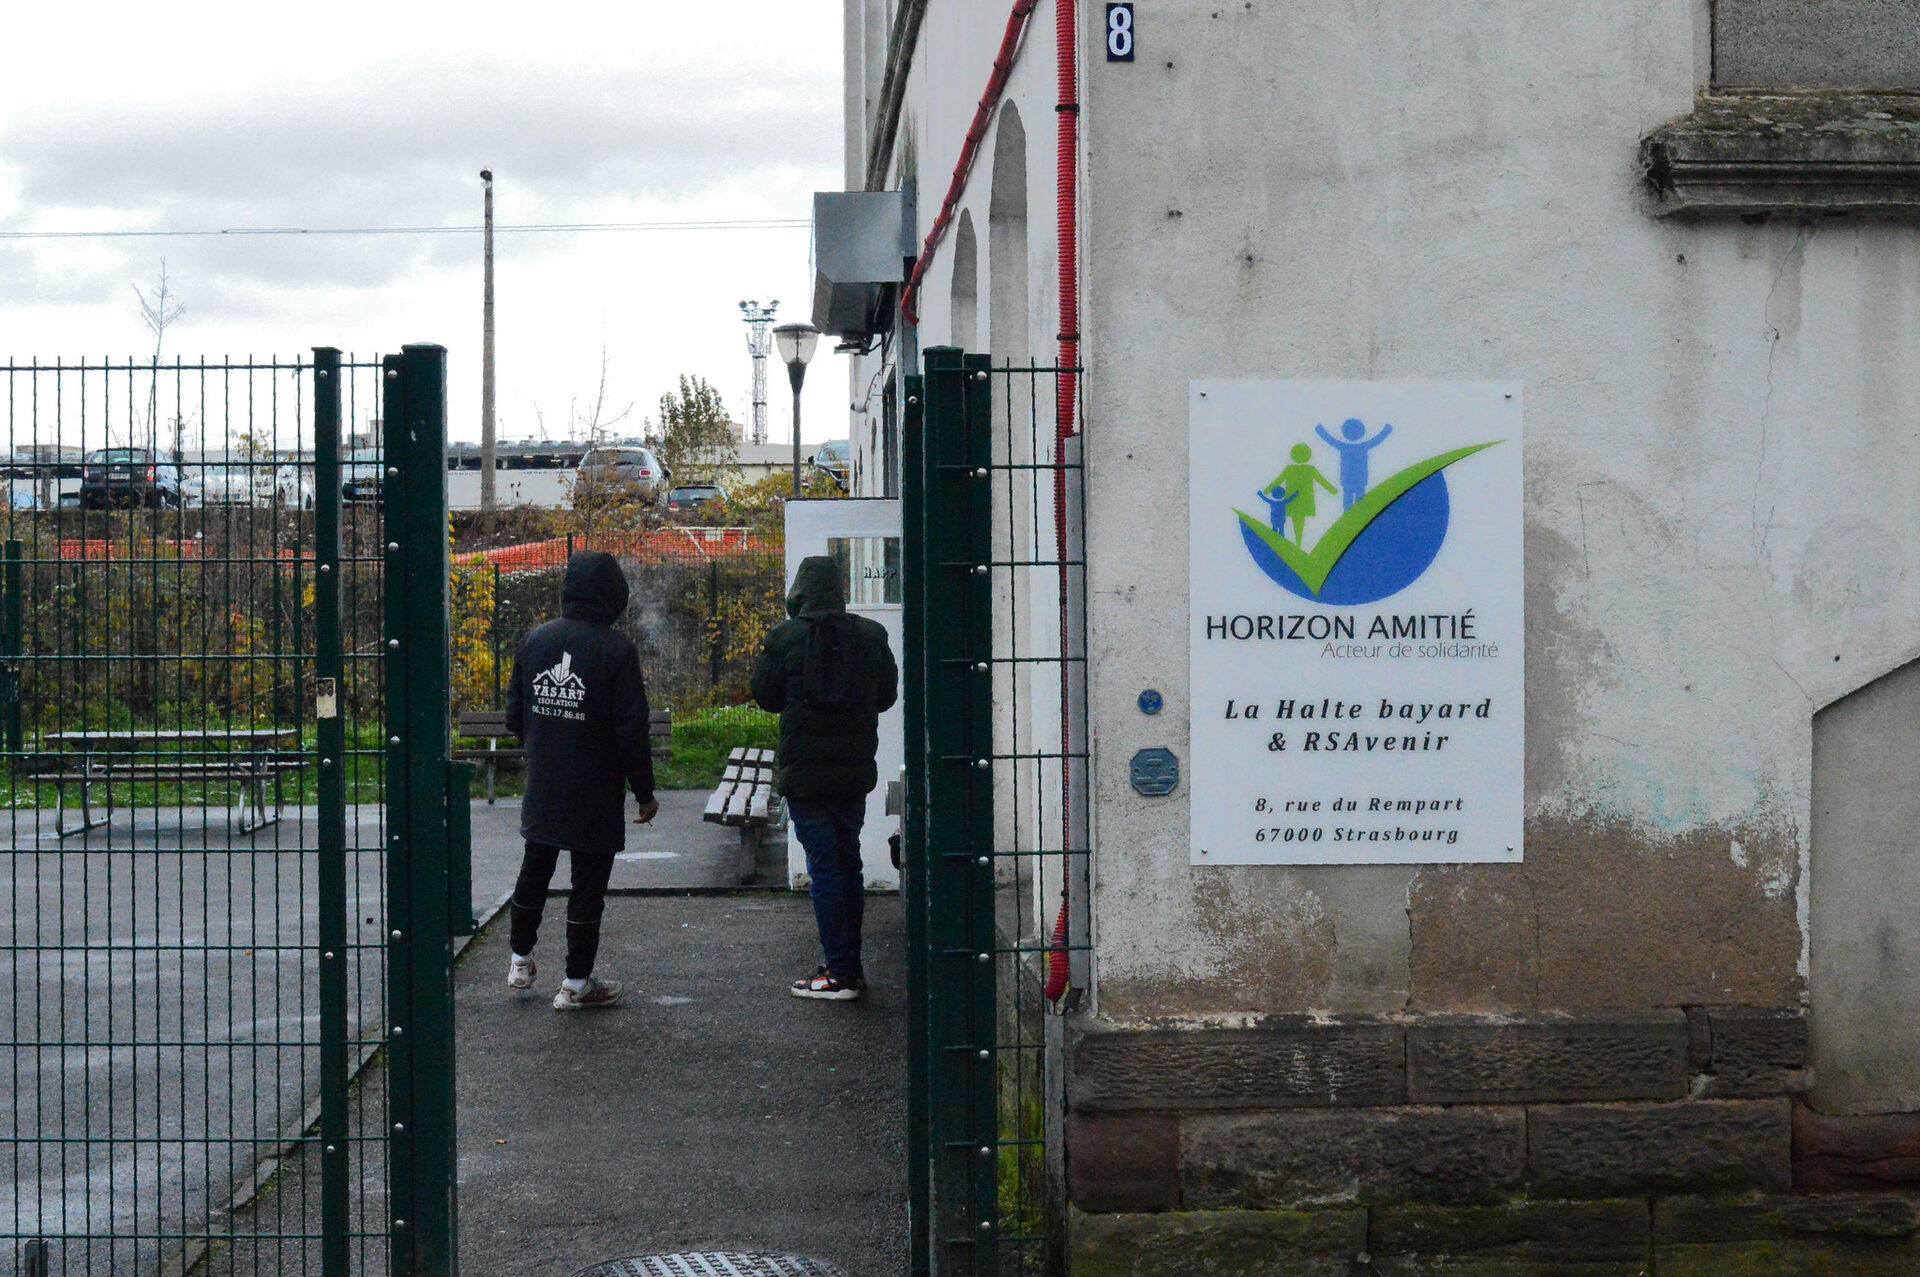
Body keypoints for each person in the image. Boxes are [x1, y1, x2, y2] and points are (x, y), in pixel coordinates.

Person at [503, 550, 660, 1011]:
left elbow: (516, 713)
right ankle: (575, 983)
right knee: (587, 886)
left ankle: (520, 959)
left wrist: (544, 739)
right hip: (595, 787)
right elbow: (630, 729)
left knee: (534, 870)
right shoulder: (616, 651)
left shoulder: (534, 641)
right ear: (614, 594)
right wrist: (644, 792)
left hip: (546, 781)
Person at [751, 555, 898, 1000]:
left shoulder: (785, 638)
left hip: (805, 774)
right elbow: (888, 697)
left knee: (824, 868)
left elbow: (765, 696)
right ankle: (847, 966)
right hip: (854, 771)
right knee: (847, 862)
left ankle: (839, 973)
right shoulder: (871, 636)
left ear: (799, 590)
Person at [1314, 418, 1393, 510]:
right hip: (1358, 479)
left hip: (1351, 479)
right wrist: (1386, 430)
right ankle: (1356, 516)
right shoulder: (1362, 447)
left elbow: (1331, 440)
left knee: (1350, 499)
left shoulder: (1345, 447)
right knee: (1356, 499)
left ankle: (1351, 516)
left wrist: (1320, 430)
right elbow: (1376, 440)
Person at [1269, 444, 1338, 543]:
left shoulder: (1292, 469)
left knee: (1297, 520)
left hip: (1296, 500)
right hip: (1302, 500)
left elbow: (1278, 481)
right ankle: (1298, 541)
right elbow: (1323, 481)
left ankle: (1298, 541)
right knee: (1299, 521)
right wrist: (1332, 490)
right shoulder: (1308, 470)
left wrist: (1267, 490)